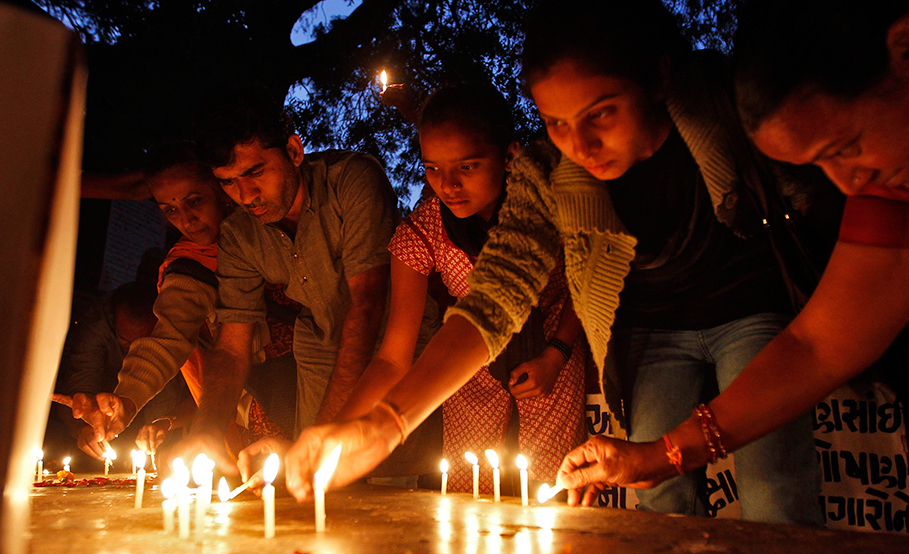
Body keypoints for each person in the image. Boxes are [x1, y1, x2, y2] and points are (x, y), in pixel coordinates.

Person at [285, 0, 838, 526]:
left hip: (750, 311)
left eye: (602, 112)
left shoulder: (730, 117)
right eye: (556, 123)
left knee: (772, 486)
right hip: (652, 330)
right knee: (660, 496)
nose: (583, 144)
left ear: (659, 77)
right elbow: (494, 299)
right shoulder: (548, 176)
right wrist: (384, 425)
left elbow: (814, 211)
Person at [551, 0, 909, 507]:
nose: (849, 184)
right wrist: (658, 457)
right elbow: (819, 345)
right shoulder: (902, 191)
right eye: (818, 164)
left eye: (846, 145)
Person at [337, 85, 587, 493]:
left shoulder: (548, 204)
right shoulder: (423, 233)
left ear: (508, 157)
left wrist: (557, 354)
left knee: (551, 483)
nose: (447, 184)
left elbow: (584, 284)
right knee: (467, 486)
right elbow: (392, 359)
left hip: (554, 346)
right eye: (432, 168)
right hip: (466, 364)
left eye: (466, 167)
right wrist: (340, 431)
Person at [175, 89, 397, 477]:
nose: (246, 196)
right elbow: (231, 346)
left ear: (294, 151)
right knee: (319, 486)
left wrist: (327, 431)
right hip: (319, 352)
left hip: (394, 350)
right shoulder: (240, 236)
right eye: (227, 183)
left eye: (255, 172)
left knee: (398, 484)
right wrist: (207, 427)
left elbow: (368, 306)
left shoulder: (352, 181)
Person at [53, 142, 298, 461]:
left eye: (194, 201)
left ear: (222, 191)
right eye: (170, 209)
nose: (186, 219)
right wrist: (126, 401)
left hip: (322, 375)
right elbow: (168, 337)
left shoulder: (275, 229)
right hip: (262, 401)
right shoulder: (188, 267)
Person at [51, 278, 188, 459]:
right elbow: (80, 386)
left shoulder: (178, 327)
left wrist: (163, 425)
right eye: (125, 340)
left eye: (143, 343)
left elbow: (197, 394)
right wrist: (82, 428)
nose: (133, 350)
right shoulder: (96, 325)